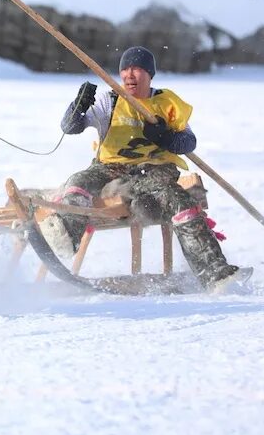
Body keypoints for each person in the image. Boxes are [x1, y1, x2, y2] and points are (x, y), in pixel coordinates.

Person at [39, 46, 251, 291]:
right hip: (110, 168)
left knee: (179, 201)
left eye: (137, 69)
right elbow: (69, 127)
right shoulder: (111, 100)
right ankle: (65, 234)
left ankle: (215, 274)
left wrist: (165, 137)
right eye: (125, 69)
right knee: (79, 180)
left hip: (153, 171)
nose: (130, 75)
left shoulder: (167, 103)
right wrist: (77, 106)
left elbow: (188, 142)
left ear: (149, 74)